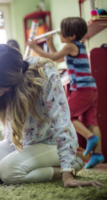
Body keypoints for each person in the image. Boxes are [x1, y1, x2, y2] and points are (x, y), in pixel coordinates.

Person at [0, 44, 102, 188]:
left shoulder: (45, 74)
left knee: (8, 172)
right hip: (21, 142)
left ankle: (74, 162)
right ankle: (39, 165)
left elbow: (61, 124)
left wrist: (67, 174)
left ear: (6, 86)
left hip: (50, 143)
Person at [28, 17, 104, 169]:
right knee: (91, 121)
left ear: (71, 36)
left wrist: (35, 48)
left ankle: (90, 137)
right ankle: (97, 154)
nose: (59, 35)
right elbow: (60, 57)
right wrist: (49, 44)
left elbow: (53, 58)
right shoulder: (78, 46)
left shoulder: (70, 46)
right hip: (91, 89)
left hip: (81, 89)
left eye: (62, 33)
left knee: (68, 116)